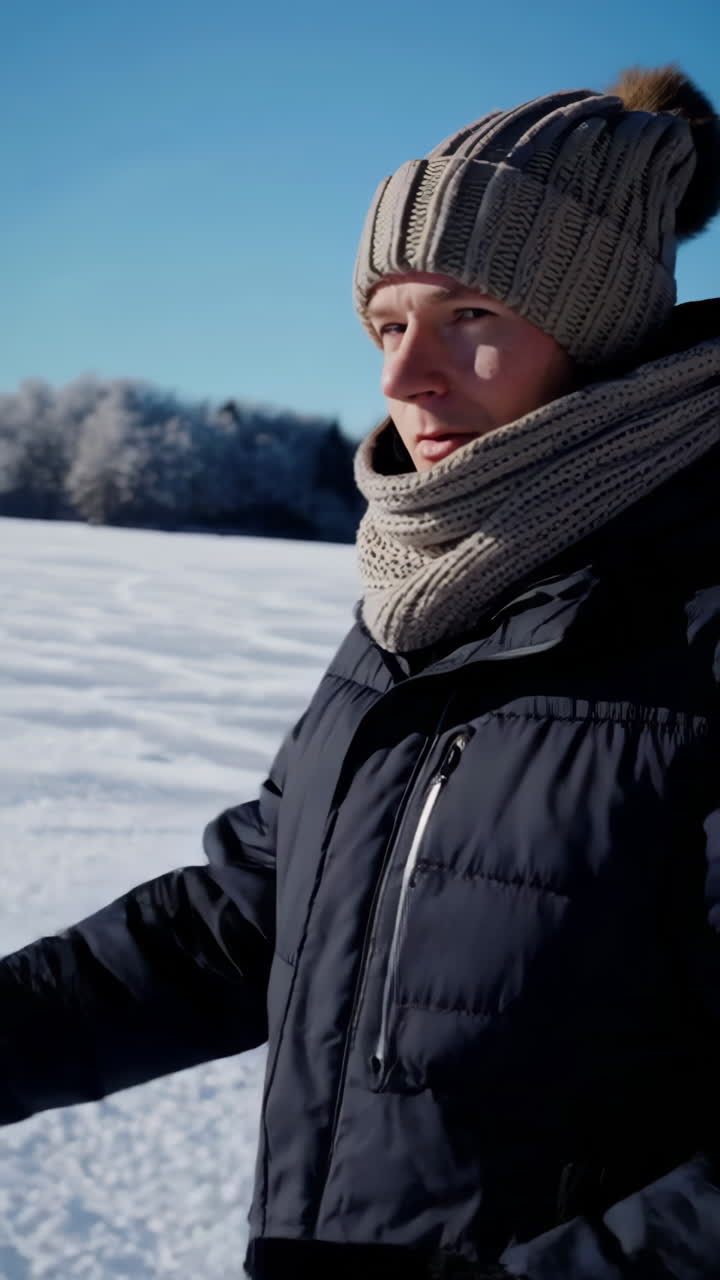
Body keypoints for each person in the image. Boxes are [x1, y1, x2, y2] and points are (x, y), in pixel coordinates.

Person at [2, 64, 720, 1280]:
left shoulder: (695, 621)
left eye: (468, 313)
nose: (401, 376)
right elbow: (252, 917)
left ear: (598, 323)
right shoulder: (420, 606)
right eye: (388, 324)